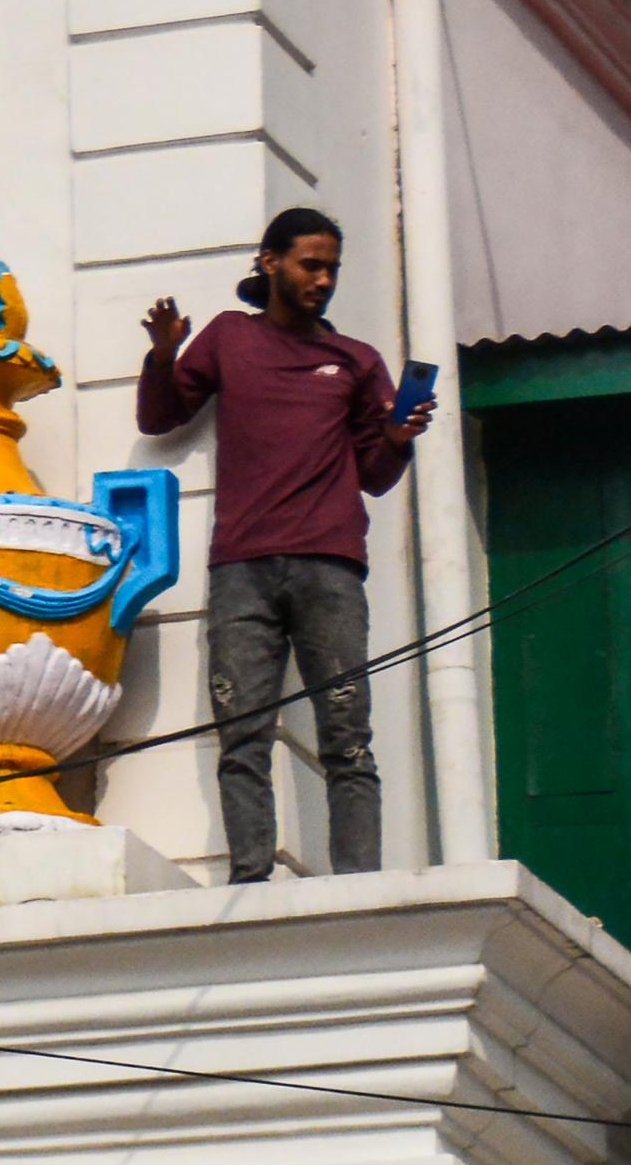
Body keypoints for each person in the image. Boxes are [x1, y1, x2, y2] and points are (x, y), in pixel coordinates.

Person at [139, 205, 435, 883]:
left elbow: (378, 478)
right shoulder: (229, 338)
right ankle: (250, 877)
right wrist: (163, 356)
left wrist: (396, 438)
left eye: (332, 267)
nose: (324, 279)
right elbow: (160, 416)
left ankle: (359, 882)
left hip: (330, 565)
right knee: (241, 732)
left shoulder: (356, 361)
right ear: (269, 262)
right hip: (242, 565)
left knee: (346, 735)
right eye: (311, 264)